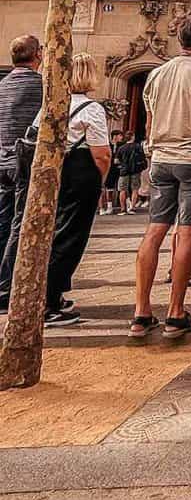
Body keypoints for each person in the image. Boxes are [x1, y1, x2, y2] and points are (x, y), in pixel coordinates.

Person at [130, 17, 191, 342]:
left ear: (178, 40)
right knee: (188, 233)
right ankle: (176, 312)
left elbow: (149, 121)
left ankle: (141, 311)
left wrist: (154, 150)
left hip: (161, 159)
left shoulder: (156, 74)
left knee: (154, 230)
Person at [42, 54, 111, 324]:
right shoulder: (91, 108)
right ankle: (49, 302)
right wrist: (101, 179)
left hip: (53, 173)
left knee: (54, 232)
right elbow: (102, 154)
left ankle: (51, 295)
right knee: (70, 237)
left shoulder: (53, 103)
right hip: (81, 173)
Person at [0, 33, 43, 301]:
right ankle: (6, 285)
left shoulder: (2, 85)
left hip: (1, 159)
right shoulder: (43, 87)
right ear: (38, 54)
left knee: (3, 221)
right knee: (20, 223)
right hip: (24, 162)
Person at [114, 131, 147, 213]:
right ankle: (132, 207)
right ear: (133, 137)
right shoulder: (138, 146)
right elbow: (143, 158)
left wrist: (122, 164)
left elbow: (116, 161)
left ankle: (122, 209)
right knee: (135, 189)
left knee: (122, 190)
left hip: (123, 170)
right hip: (135, 170)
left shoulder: (121, 148)